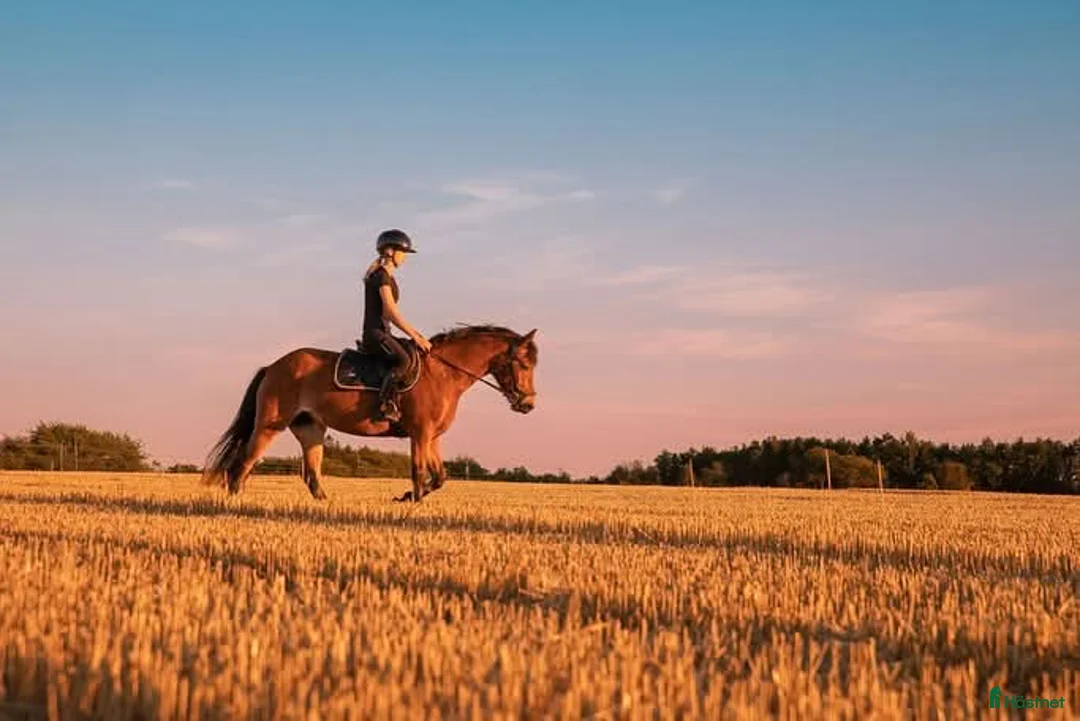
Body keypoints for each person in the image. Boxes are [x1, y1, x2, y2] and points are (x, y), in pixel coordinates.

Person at [360, 229, 432, 422]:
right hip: (375, 334)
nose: (405, 258)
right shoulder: (381, 276)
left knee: (411, 350)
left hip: (385, 333)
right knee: (404, 361)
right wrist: (416, 336)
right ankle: (385, 406)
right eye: (403, 252)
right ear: (390, 251)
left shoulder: (388, 278)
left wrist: (417, 336)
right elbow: (389, 312)